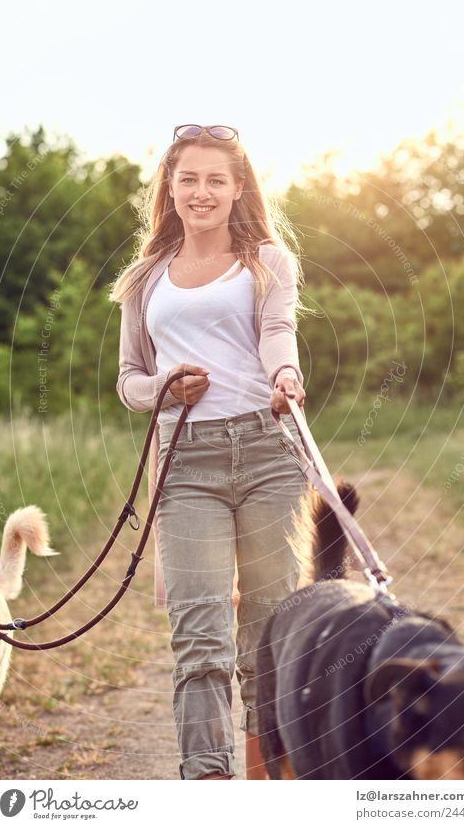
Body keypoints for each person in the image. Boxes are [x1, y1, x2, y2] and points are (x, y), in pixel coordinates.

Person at [109, 124, 312, 780]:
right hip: (185, 463)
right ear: (170, 187)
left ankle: (269, 785)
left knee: (268, 642)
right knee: (200, 642)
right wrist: (163, 388)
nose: (201, 191)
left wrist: (287, 375)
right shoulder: (144, 280)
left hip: (267, 452)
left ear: (237, 188)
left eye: (215, 180)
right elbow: (129, 381)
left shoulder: (269, 261)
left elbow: (278, 330)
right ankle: (208, 787)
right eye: (188, 178)